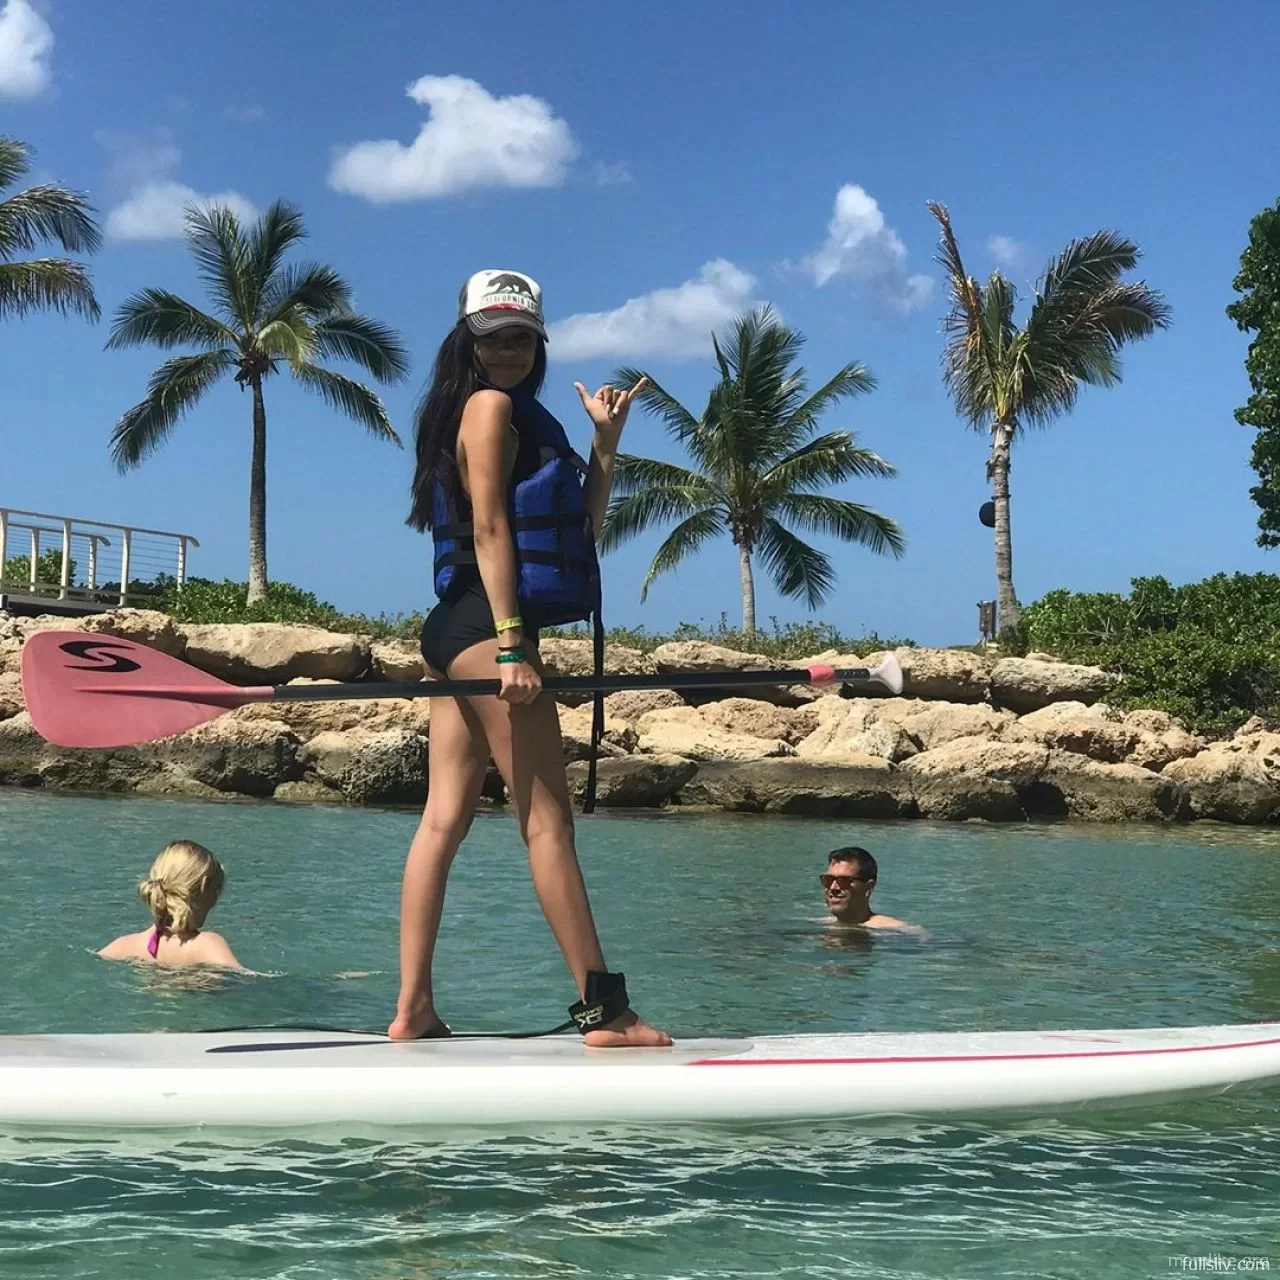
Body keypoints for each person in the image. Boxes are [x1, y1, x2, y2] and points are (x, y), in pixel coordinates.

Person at [395, 268, 670, 1047]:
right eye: (494, 338)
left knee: (444, 819)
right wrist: (514, 645)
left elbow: (581, 530)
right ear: (468, 342)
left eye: (522, 338)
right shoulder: (486, 409)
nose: (510, 351)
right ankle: (605, 1015)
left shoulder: (519, 416)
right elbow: (489, 529)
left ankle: (413, 1010)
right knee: (548, 825)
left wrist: (604, 446)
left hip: (460, 632)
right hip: (487, 633)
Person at [98, 840, 244, 969]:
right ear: (204, 887)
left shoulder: (123, 946)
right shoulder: (208, 946)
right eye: (217, 890)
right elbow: (247, 982)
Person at [820, 847, 914, 930]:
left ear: (869, 887)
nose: (833, 887)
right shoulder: (820, 925)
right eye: (828, 880)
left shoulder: (896, 930)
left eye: (844, 880)